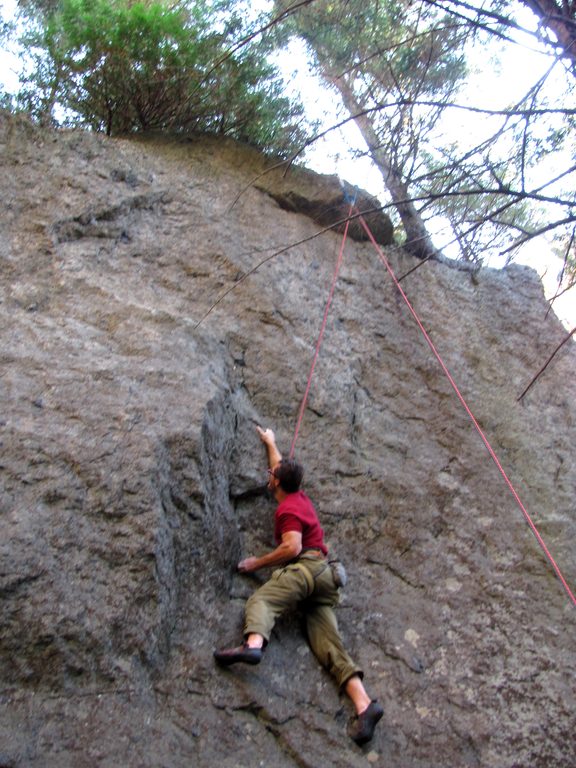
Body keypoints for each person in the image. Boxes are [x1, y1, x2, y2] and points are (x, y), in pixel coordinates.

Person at [214, 426, 383, 746]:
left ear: (275, 482)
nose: (269, 473)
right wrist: (270, 442)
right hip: (325, 580)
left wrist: (257, 563)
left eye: (271, 473)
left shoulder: (288, 508)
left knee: (262, 601)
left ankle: (252, 645)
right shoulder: (298, 495)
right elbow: (281, 466)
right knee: (328, 644)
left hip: (305, 569)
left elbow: (291, 548)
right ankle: (364, 705)